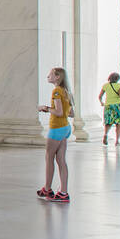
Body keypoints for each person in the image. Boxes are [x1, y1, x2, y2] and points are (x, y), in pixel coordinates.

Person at [36, 66, 73, 203]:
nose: (48, 76)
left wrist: (44, 108)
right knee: (61, 160)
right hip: (65, 127)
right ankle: (63, 191)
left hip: (56, 128)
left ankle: (47, 188)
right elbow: (71, 113)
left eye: (50, 74)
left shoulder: (57, 91)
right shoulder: (66, 91)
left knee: (49, 158)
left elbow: (58, 112)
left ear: (57, 77)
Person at [98, 72, 120, 147]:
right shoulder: (119, 86)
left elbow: (100, 96)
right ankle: (117, 141)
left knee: (108, 122)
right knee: (119, 124)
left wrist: (102, 102)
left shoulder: (105, 86)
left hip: (108, 106)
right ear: (117, 79)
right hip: (118, 106)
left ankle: (105, 134)